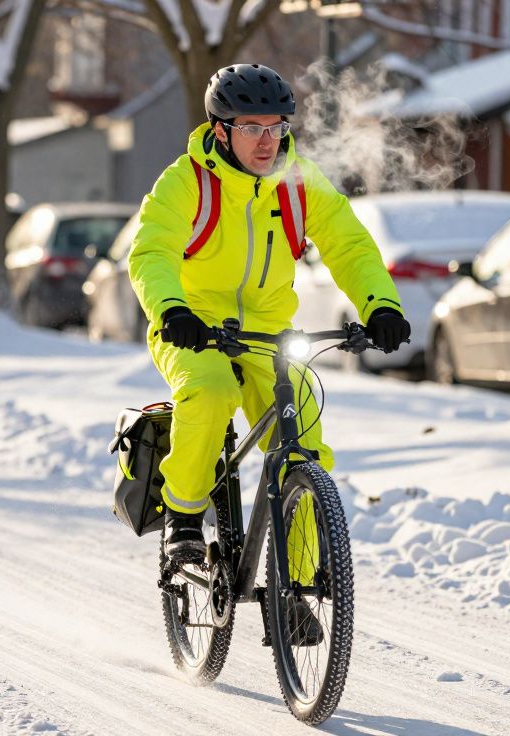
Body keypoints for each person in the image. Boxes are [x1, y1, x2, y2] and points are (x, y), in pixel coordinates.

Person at [129, 63, 411, 561]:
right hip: (192, 328)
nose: (268, 140)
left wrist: (381, 304)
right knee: (212, 392)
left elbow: (351, 247)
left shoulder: (300, 182)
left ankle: (300, 588)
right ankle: (185, 516)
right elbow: (152, 253)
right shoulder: (186, 182)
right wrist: (172, 309)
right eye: (252, 128)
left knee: (303, 443)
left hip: (270, 333)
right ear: (221, 129)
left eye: (278, 126)